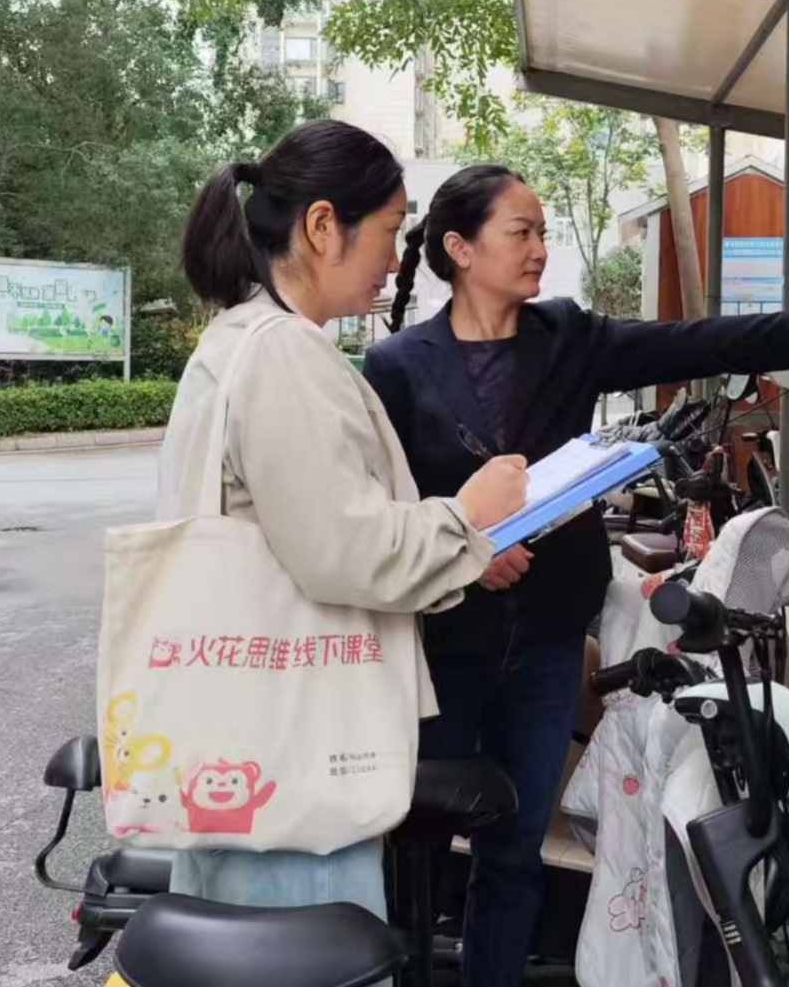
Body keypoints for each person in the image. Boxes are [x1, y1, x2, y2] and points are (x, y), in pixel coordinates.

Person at [363, 163, 789, 985]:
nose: (539, 247)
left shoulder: (566, 337)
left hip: (547, 637)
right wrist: (466, 548)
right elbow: (382, 501)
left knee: (514, 847)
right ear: (460, 248)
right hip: (441, 638)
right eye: (521, 231)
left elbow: (699, 340)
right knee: (414, 841)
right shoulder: (397, 365)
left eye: (542, 231)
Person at [155, 122, 528, 917]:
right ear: (323, 226)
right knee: (305, 948)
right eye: (388, 230)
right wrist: (467, 515)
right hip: (297, 750)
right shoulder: (283, 353)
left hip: (246, 736)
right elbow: (344, 550)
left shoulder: (237, 340)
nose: (394, 259)